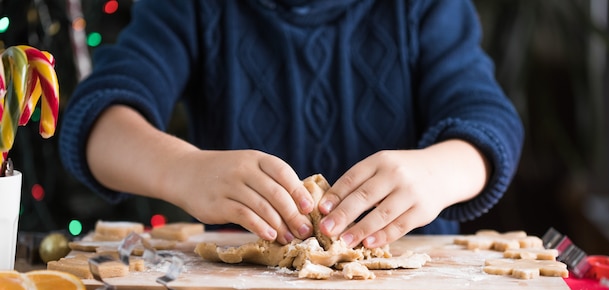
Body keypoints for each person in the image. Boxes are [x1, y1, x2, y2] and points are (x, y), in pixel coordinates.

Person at [59, 0, 524, 249]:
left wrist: (438, 172)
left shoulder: (425, 7)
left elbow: (489, 122)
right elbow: (98, 121)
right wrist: (181, 169)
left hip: (419, 286)